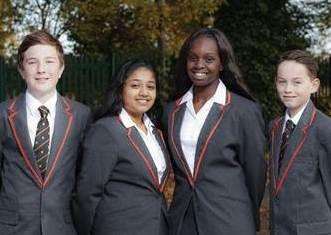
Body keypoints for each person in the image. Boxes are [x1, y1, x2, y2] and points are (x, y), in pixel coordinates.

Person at [163, 28, 266, 235]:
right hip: (183, 221)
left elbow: (256, 174)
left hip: (229, 221)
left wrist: (246, 214)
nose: (199, 65)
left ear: (221, 64)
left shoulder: (244, 111)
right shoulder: (171, 111)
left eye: (209, 59)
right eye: (193, 58)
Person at [0, 30, 91, 235]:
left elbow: (85, 176)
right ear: (22, 70)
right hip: (12, 227)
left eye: (49, 61)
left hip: (63, 226)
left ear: (61, 69)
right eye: (32, 62)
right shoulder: (3, 114)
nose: (41, 69)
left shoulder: (81, 115)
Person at [73, 60, 171, 235]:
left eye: (150, 86)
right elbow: (87, 194)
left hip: (156, 227)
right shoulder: (105, 130)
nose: (144, 93)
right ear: (120, 89)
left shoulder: (155, 131)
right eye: (135, 85)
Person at [269, 49, 331, 234]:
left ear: (314, 85)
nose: (288, 89)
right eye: (282, 82)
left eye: (297, 82)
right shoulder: (274, 127)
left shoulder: (325, 129)